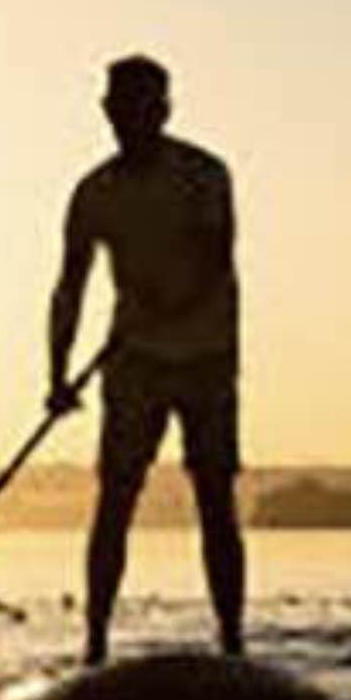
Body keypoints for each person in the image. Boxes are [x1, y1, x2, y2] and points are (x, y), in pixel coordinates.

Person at [48, 55, 245, 665]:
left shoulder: (205, 174)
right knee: (115, 498)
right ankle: (95, 644)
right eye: (120, 106)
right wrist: (56, 374)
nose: (131, 117)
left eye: (145, 106)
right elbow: (70, 287)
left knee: (214, 495)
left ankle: (232, 641)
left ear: (164, 110)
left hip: (208, 355)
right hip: (134, 362)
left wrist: (168, 306)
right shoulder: (93, 193)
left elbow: (216, 259)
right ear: (107, 110)